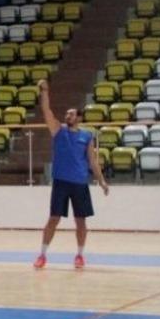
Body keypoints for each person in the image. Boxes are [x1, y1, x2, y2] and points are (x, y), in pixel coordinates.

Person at [34, 79, 109, 269]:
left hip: (80, 184)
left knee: (80, 221)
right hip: (61, 182)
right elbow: (46, 110)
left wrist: (101, 181)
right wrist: (44, 91)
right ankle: (42, 255)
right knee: (54, 219)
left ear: (79, 118)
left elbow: (92, 161)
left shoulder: (86, 136)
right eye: (67, 114)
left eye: (71, 114)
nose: (67, 116)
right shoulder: (58, 130)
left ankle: (80, 255)